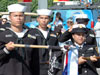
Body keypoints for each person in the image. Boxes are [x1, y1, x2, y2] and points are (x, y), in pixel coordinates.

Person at [0, 4, 39, 75]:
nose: (18, 18)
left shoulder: (31, 36)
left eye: (21, 16)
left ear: (24, 17)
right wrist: (6, 50)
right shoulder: (2, 35)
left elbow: (35, 61)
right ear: (10, 17)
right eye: (15, 16)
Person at [32, 9, 62, 75]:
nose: (44, 20)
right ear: (37, 19)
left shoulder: (53, 34)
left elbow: (57, 50)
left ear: (49, 20)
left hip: (49, 67)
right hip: (35, 66)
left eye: (46, 18)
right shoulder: (31, 33)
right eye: (41, 18)